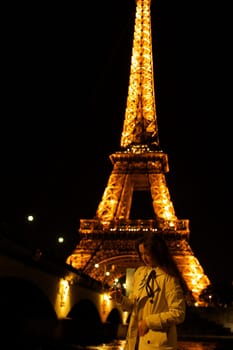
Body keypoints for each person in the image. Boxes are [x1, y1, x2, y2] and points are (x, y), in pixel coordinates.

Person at [109, 233, 186, 350]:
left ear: (158, 252)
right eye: (141, 254)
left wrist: (148, 322)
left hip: (157, 344)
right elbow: (133, 307)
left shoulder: (169, 278)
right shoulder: (140, 273)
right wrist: (120, 299)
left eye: (147, 254)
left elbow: (178, 313)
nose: (144, 258)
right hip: (135, 340)